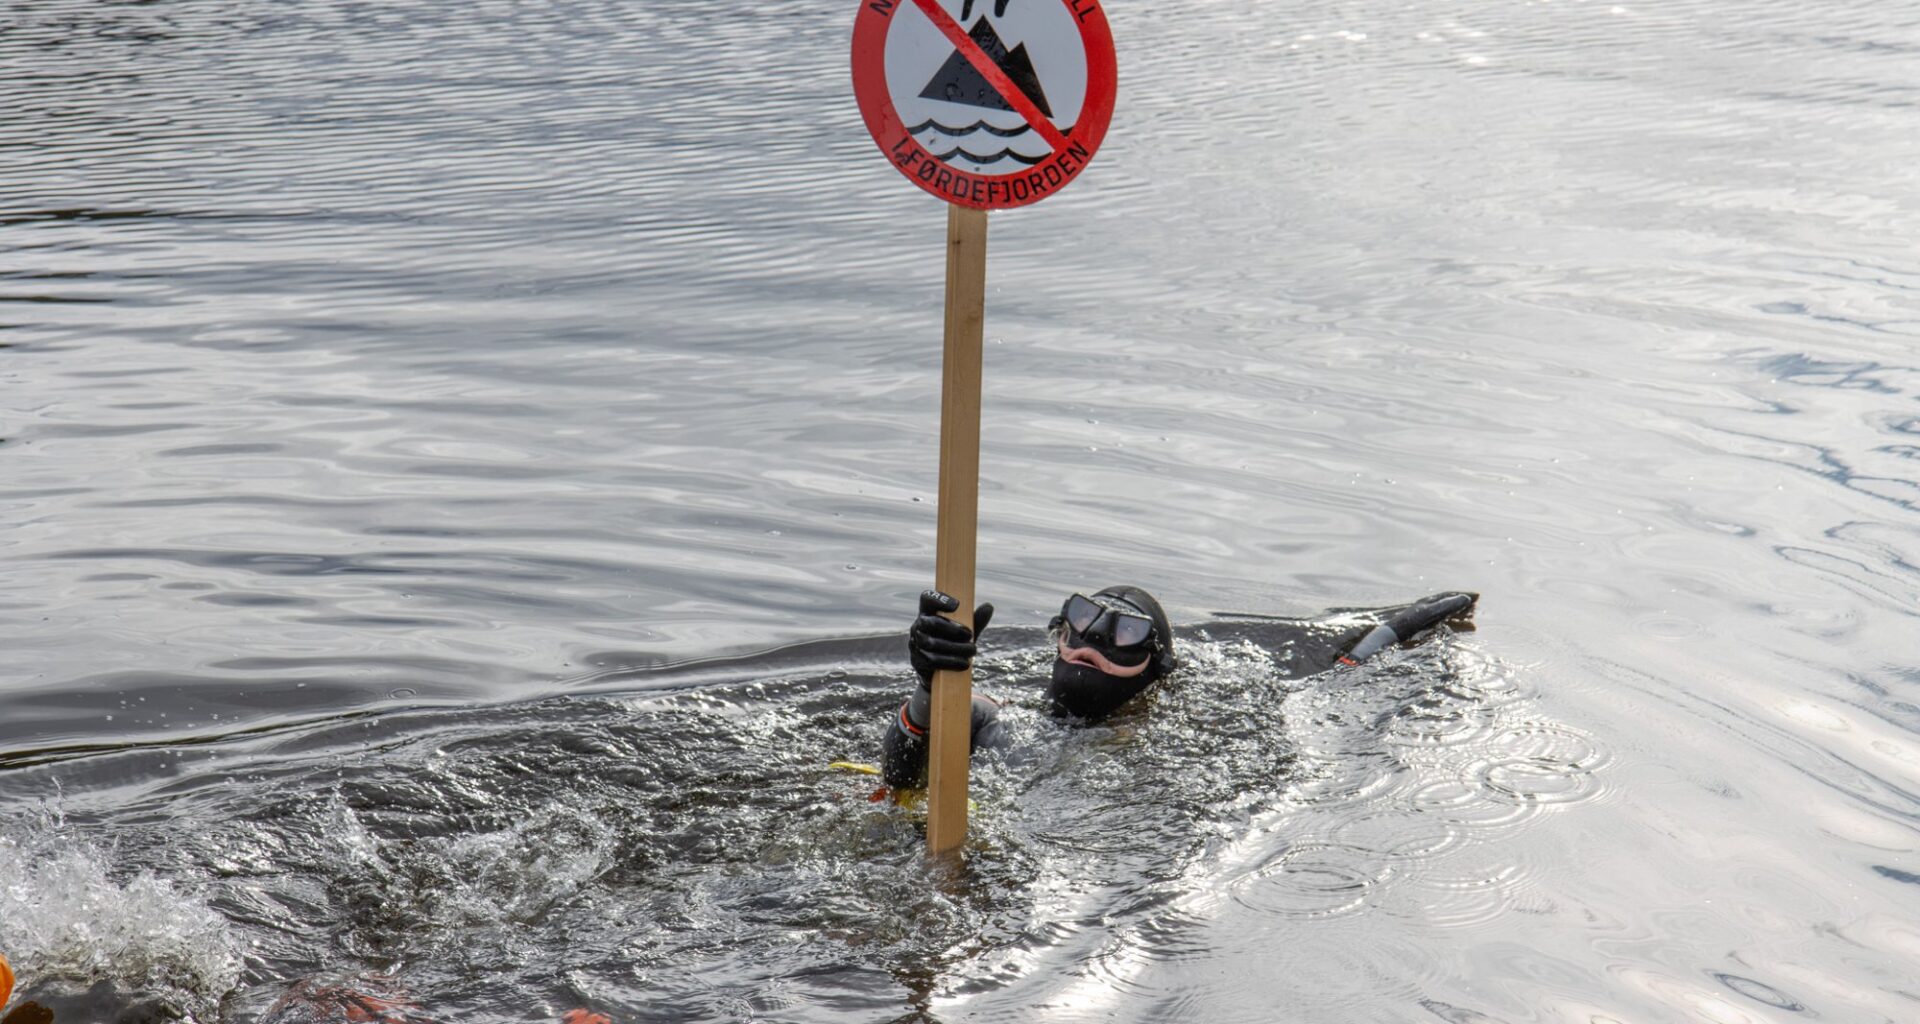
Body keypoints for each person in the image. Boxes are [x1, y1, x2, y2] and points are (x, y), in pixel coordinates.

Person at [879, 586, 1479, 790]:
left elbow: (1319, 686)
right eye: (1083, 622)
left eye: (1126, 634)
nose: (1094, 640)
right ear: (1058, 635)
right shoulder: (991, 719)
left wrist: (1383, 637)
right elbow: (900, 776)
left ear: (1157, 670)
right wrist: (933, 686)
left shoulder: (1197, 737)